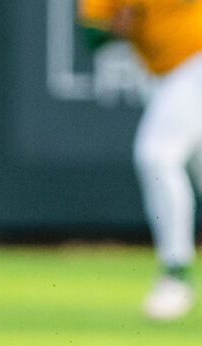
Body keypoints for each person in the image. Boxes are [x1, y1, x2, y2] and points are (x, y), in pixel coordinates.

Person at [80, 0, 202, 321]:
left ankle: (176, 273)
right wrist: (114, 29)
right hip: (167, 74)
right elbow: (91, 34)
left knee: (157, 156)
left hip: (195, 59)